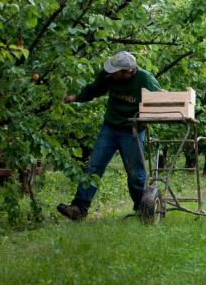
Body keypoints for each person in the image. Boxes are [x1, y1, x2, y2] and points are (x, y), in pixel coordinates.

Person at [57, 51, 162, 220]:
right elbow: (94, 89)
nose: (111, 74)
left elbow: (160, 100)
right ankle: (79, 208)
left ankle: (143, 210)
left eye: (116, 72)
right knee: (93, 166)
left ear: (128, 72)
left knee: (136, 174)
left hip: (132, 130)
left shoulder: (145, 80)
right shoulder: (109, 74)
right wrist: (76, 97)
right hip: (110, 127)